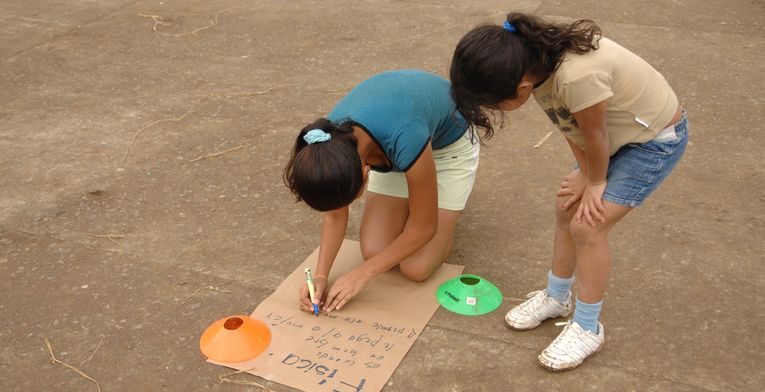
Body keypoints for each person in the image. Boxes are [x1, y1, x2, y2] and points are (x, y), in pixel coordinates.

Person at [449, 13, 688, 371]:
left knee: (588, 227)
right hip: (610, 136)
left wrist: (594, 181)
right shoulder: (535, 64)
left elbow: (596, 136)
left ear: (519, 88)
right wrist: (585, 175)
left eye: (493, 103)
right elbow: (571, 126)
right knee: (567, 207)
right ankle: (557, 298)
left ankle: (588, 327)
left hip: (651, 141)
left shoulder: (577, 77)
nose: (493, 110)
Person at [284, 69, 481, 315]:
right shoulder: (331, 145)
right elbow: (334, 213)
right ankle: (421, 198)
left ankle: (445, 212)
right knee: (375, 251)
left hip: (446, 148)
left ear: (366, 173)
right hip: (398, 147)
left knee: (416, 268)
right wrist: (321, 275)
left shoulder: (404, 137)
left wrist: (362, 275)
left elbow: (424, 228)